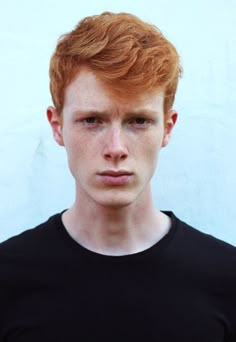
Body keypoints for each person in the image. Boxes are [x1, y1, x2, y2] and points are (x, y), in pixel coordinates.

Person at [0, 11, 235, 342]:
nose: (116, 148)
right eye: (92, 120)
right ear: (57, 126)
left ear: (167, 128)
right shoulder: (7, 278)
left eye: (138, 121)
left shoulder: (226, 278)